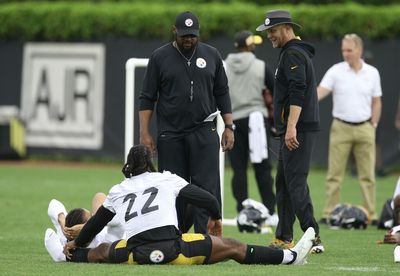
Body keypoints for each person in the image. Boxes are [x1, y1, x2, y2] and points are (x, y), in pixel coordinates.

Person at [63, 144, 316, 266]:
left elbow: (95, 225)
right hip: (174, 251)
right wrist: (215, 216)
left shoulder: (119, 189)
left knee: (101, 251)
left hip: (133, 254)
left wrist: (76, 244)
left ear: (128, 166)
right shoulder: (166, 178)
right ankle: (289, 257)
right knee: (233, 247)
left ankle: (68, 256)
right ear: (151, 163)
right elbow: (207, 199)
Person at [138, 11, 234, 234]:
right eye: (184, 35)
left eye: (192, 35)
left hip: (204, 129)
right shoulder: (159, 57)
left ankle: (203, 237)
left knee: (205, 187)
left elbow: (222, 92)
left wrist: (229, 127)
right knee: (174, 187)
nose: (188, 39)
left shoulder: (212, 55)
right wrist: (144, 132)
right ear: (174, 31)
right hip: (171, 133)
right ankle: (176, 234)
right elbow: (147, 97)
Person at [255, 9, 323, 253]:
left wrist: (291, 126)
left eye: (272, 31)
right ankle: (284, 237)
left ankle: (312, 236)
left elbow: (298, 90)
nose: (269, 36)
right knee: (283, 183)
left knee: (294, 183)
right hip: (294, 127)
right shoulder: (290, 52)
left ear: (286, 28)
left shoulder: (293, 53)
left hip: (299, 128)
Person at [317, 33, 382, 225]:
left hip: (365, 127)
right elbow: (321, 91)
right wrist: (303, 100)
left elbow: (377, 102)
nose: (345, 53)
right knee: (334, 174)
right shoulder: (336, 71)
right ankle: (329, 213)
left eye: (349, 50)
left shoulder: (372, 73)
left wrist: (374, 124)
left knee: (367, 175)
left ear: (359, 50)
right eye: (343, 50)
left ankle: (370, 213)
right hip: (341, 127)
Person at [224, 30, 277, 225]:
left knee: (238, 169)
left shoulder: (223, 66)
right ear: (250, 46)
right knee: (262, 167)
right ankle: (270, 211)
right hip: (256, 120)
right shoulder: (260, 65)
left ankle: (242, 211)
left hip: (233, 122)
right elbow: (275, 90)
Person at [44, 194, 125, 262]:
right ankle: (61, 256)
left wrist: (62, 221)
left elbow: (53, 203)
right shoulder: (103, 239)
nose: (94, 218)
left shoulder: (64, 233)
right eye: (91, 218)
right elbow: (119, 222)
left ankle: (61, 256)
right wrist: (91, 225)